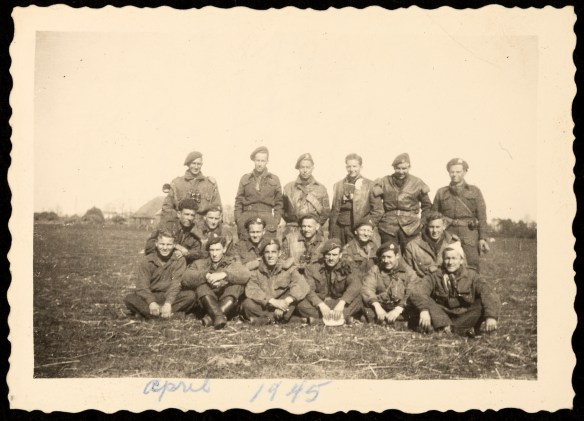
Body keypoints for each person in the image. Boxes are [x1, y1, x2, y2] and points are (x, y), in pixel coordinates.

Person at [409, 242, 500, 336]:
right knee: (427, 300)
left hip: (465, 316)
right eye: (447, 258)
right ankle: (456, 330)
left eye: (454, 258)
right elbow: (417, 292)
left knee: (480, 304)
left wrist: (491, 316)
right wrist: (424, 310)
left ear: (461, 260)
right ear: (443, 260)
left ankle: (448, 330)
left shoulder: (472, 276)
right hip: (441, 316)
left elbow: (489, 294)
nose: (450, 262)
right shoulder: (435, 275)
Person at [431, 158, 489, 270]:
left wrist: (482, 238)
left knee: (472, 264)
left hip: (469, 233)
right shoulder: (441, 192)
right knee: (448, 262)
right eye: (452, 172)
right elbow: (434, 214)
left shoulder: (474, 191)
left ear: (465, 172)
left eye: (458, 172)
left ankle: (472, 287)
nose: (454, 175)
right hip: (448, 232)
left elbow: (482, 216)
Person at [181, 235, 250, 329]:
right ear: (208, 251)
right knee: (201, 286)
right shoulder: (200, 263)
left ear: (224, 250)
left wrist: (224, 275)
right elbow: (185, 278)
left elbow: (245, 274)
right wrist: (205, 276)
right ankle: (218, 317)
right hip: (205, 305)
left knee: (236, 286)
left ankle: (211, 318)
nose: (214, 254)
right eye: (212, 250)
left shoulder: (231, 262)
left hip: (227, 303)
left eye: (217, 250)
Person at [124, 231, 197, 319]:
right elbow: (142, 286)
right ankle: (173, 315)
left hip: (169, 295)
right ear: (156, 244)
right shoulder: (147, 261)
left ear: (174, 245)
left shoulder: (179, 260)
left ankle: (148, 315)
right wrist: (151, 302)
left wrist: (168, 303)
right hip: (152, 295)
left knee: (191, 296)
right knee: (129, 298)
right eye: (162, 244)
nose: (165, 248)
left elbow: (176, 284)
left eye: (169, 245)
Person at [369, 153, 432, 252]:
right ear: (394, 168)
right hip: (388, 226)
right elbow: (375, 203)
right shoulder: (384, 182)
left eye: (404, 168)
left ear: (409, 167)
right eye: (398, 168)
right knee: (388, 253)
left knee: (410, 253)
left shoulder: (417, 182)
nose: (401, 172)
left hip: (411, 227)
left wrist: (422, 222)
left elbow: (427, 205)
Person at [242, 239, 310, 325]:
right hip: (266, 304)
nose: (270, 256)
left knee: (296, 298)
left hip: (284, 304)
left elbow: (302, 284)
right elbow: (252, 289)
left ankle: (267, 320)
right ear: (263, 254)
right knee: (247, 304)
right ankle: (282, 319)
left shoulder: (287, 267)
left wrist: (286, 302)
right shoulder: (256, 270)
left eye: (274, 252)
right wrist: (273, 301)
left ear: (279, 253)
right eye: (267, 252)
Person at [295, 239, 363, 323]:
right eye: (328, 254)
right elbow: (309, 290)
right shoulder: (312, 268)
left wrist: (342, 302)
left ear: (340, 255)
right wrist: (320, 304)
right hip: (320, 304)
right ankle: (342, 318)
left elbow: (356, 285)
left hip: (339, 303)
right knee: (301, 303)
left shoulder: (348, 266)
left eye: (334, 255)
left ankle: (318, 320)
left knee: (359, 298)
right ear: (324, 255)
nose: (331, 258)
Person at [361, 240, 419, 327]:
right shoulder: (375, 269)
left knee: (414, 312)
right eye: (383, 257)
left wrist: (398, 309)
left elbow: (411, 292)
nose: (386, 260)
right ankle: (394, 322)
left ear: (397, 256)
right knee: (366, 311)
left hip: (401, 308)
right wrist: (377, 307)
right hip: (382, 306)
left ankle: (390, 321)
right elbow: (368, 288)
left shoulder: (409, 272)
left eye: (389, 257)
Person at [234, 146, 283, 241]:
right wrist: (239, 219)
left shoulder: (274, 179)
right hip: (247, 216)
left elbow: (279, 202)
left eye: (262, 161)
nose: (260, 164)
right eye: (257, 160)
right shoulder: (245, 178)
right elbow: (238, 201)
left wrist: (276, 220)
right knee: (245, 248)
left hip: (267, 217)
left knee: (268, 248)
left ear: (267, 161)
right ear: (254, 161)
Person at [160, 151, 222, 225]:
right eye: (193, 163)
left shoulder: (210, 184)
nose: (196, 167)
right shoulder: (177, 183)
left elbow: (217, 210)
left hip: (202, 229)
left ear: (202, 164)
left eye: (198, 164)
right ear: (188, 164)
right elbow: (167, 208)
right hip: (181, 228)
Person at [329, 153, 374, 245]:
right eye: (349, 166)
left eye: (355, 166)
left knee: (354, 253)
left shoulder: (369, 185)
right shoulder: (338, 185)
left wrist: (367, 226)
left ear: (361, 167)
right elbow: (334, 209)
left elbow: (378, 210)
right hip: (339, 226)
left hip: (357, 226)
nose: (352, 169)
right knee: (337, 250)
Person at [144, 199, 203, 266]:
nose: (189, 218)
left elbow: (199, 252)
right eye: (187, 214)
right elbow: (149, 247)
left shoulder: (195, 230)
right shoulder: (167, 226)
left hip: (181, 265)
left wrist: (186, 253)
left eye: (192, 215)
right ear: (179, 214)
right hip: (162, 263)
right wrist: (176, 246)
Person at [282, 153, 330, 233]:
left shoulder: (321, 189)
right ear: (298, 168)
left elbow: (326, 212)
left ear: (312, 168)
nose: (305, 170)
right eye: (302, 167)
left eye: (307, 167)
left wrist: (314, 226)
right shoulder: (288, 188)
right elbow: (283, 211)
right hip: (293, 230)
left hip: (314, 232)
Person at [403, 211, 459, 278]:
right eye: (431, 227)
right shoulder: (412, 246)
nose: (434, 231)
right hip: (423, 284)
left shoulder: (453, 243)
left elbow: (462, 269)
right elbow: (408, 272)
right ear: (427, 227)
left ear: (444, 227)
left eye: (438, 227)